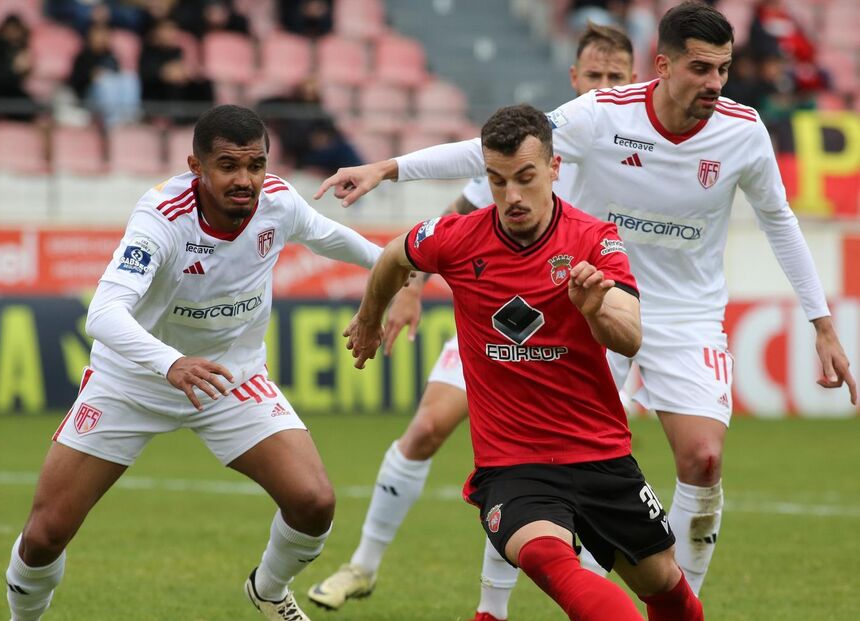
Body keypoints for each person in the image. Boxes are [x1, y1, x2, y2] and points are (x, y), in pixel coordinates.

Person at [313, 0, 857, 599]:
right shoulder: (603, 115)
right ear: (663, 65)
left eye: (723, 69)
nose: (716, 83)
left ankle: (673, 603)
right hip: (587, 297)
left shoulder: (743, 131)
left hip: (685, 313)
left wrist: (822, 324)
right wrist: (389, 168)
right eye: (702, 69)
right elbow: (496, 151)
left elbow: (779, 221)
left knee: (702, 460)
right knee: (527, 456)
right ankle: (490, 605)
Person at [307, 23, 637, 621]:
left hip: (579, 315)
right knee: (433, 426)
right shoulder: (551, 134)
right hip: (499, 310)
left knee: (548, 465)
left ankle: (504, 606)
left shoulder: (647, 140)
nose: (604, 87)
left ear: (636, 78)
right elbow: (463, 193)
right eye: (594, 76)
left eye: (617, 77)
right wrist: (406, 262)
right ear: (575, 80)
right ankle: (364, 563)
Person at [3, 105, 382, 621]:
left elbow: (329, 235)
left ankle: (269, 590)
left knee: (314, 502)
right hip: (133, 381)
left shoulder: (277, 202)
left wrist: (397, 267)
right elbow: (104, 313)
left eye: (256, 165)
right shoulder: (162, 217)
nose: (245, 180)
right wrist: (171, 363)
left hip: (231, 378)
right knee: (45, 535)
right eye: (228, 165)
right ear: (196, 166)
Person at [341, 103, 704, 621]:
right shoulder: (455, 238)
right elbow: (395, 254)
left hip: (599, 454)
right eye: (497, 180)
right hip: (513, 464)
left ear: (555, 170)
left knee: (666, 588)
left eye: (525, 178)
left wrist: (596, 308)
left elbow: (629, 337)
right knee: (547, 560)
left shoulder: (593, 239)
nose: (512, 196)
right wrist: (371, 315)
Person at [139, 18, 214, 125]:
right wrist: (164, 73)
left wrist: (184, 73)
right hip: (156, 90)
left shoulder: (177, 50)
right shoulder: (148, 51)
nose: (170, 34)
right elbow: (146, 73)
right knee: (173, 83)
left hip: (177, 85)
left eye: (172, 30)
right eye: (166, 30)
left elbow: (181, 69)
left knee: (204, 82)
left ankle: (207, 117)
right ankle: (175, 120)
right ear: (157, 32)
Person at [68, 22, 141, 127]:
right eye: (98, 34)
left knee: (130, 77)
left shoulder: (111, 56)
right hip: (87, 99)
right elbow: (75, 83)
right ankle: (112, 123)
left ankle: (129, 117)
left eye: (105, 34)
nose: (101, 38)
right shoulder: (83, 57)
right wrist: (92, 76)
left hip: (114, 97)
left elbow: (119, 78)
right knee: (105, 82)